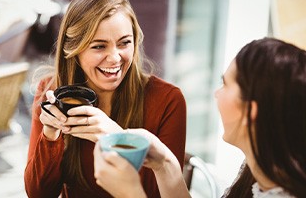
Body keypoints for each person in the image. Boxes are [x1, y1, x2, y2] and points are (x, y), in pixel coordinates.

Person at [94, 37, 306, 198]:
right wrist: (165, 165)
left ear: (251, 111)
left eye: (226, 84)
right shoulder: (258, 174)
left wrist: (131, 193)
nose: (217, 93)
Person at [24, 0, 187, 197]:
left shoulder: (168, 100)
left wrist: (119, 139)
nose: (115, 58)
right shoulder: (52, 90)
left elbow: (159, 193)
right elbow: (38, 194)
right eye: (99, 46)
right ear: (75, 49)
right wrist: (50, 134)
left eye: (124, 43)